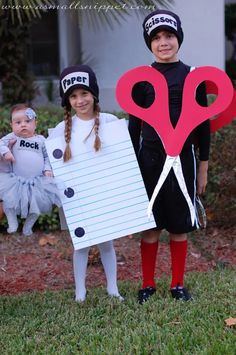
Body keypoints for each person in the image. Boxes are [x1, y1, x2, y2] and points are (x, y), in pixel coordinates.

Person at [128, 10, 210, 304]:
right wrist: (129, 169)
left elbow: (203, 126)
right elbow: (133, 127)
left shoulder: (192, 76)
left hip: (183, 159)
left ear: (179, 39)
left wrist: (203, 168)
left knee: (179, 225)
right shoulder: (141, 79)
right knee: (150, 226)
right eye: (157, 38)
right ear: (150, 44)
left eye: (169, 36)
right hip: (148, 160)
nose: (164, 42)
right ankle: (147, 284)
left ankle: (177, 284)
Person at [49, 64, 123, 303]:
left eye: (84, 94)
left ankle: (112, 288)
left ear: (94, 95)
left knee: (106, 243)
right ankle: (80, 291)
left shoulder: (111, 122)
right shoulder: (61, 130)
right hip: (78, 195)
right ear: (67, 100)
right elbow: (51, 160)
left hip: (103, 193)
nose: (80, 100)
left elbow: (123, 157)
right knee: (80, 245)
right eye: (73, 96)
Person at [0, 104, 61, 236]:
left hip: (37, 181)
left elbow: (47, 156)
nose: (23, 125)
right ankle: (12, 221)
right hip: (15, 180)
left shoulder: (41, 140)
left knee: (37, 205)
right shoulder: (12, 137)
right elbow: (0, 144)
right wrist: (6, 152)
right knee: (9, 201)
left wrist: (47, 169)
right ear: (11, 125)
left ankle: (28, 227)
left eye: (27, 121)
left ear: (35, 123)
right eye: (18, 122)